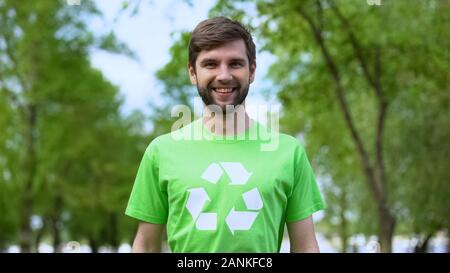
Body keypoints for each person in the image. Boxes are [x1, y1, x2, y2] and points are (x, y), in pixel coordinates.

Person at [125, 16, 325, 253]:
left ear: (251, 71)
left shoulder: (288, 152)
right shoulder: (160, 152)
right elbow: (146, 246)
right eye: (210, 64)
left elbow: (305, 247)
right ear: (192, 72)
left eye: (235, 64)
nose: (223, 75)